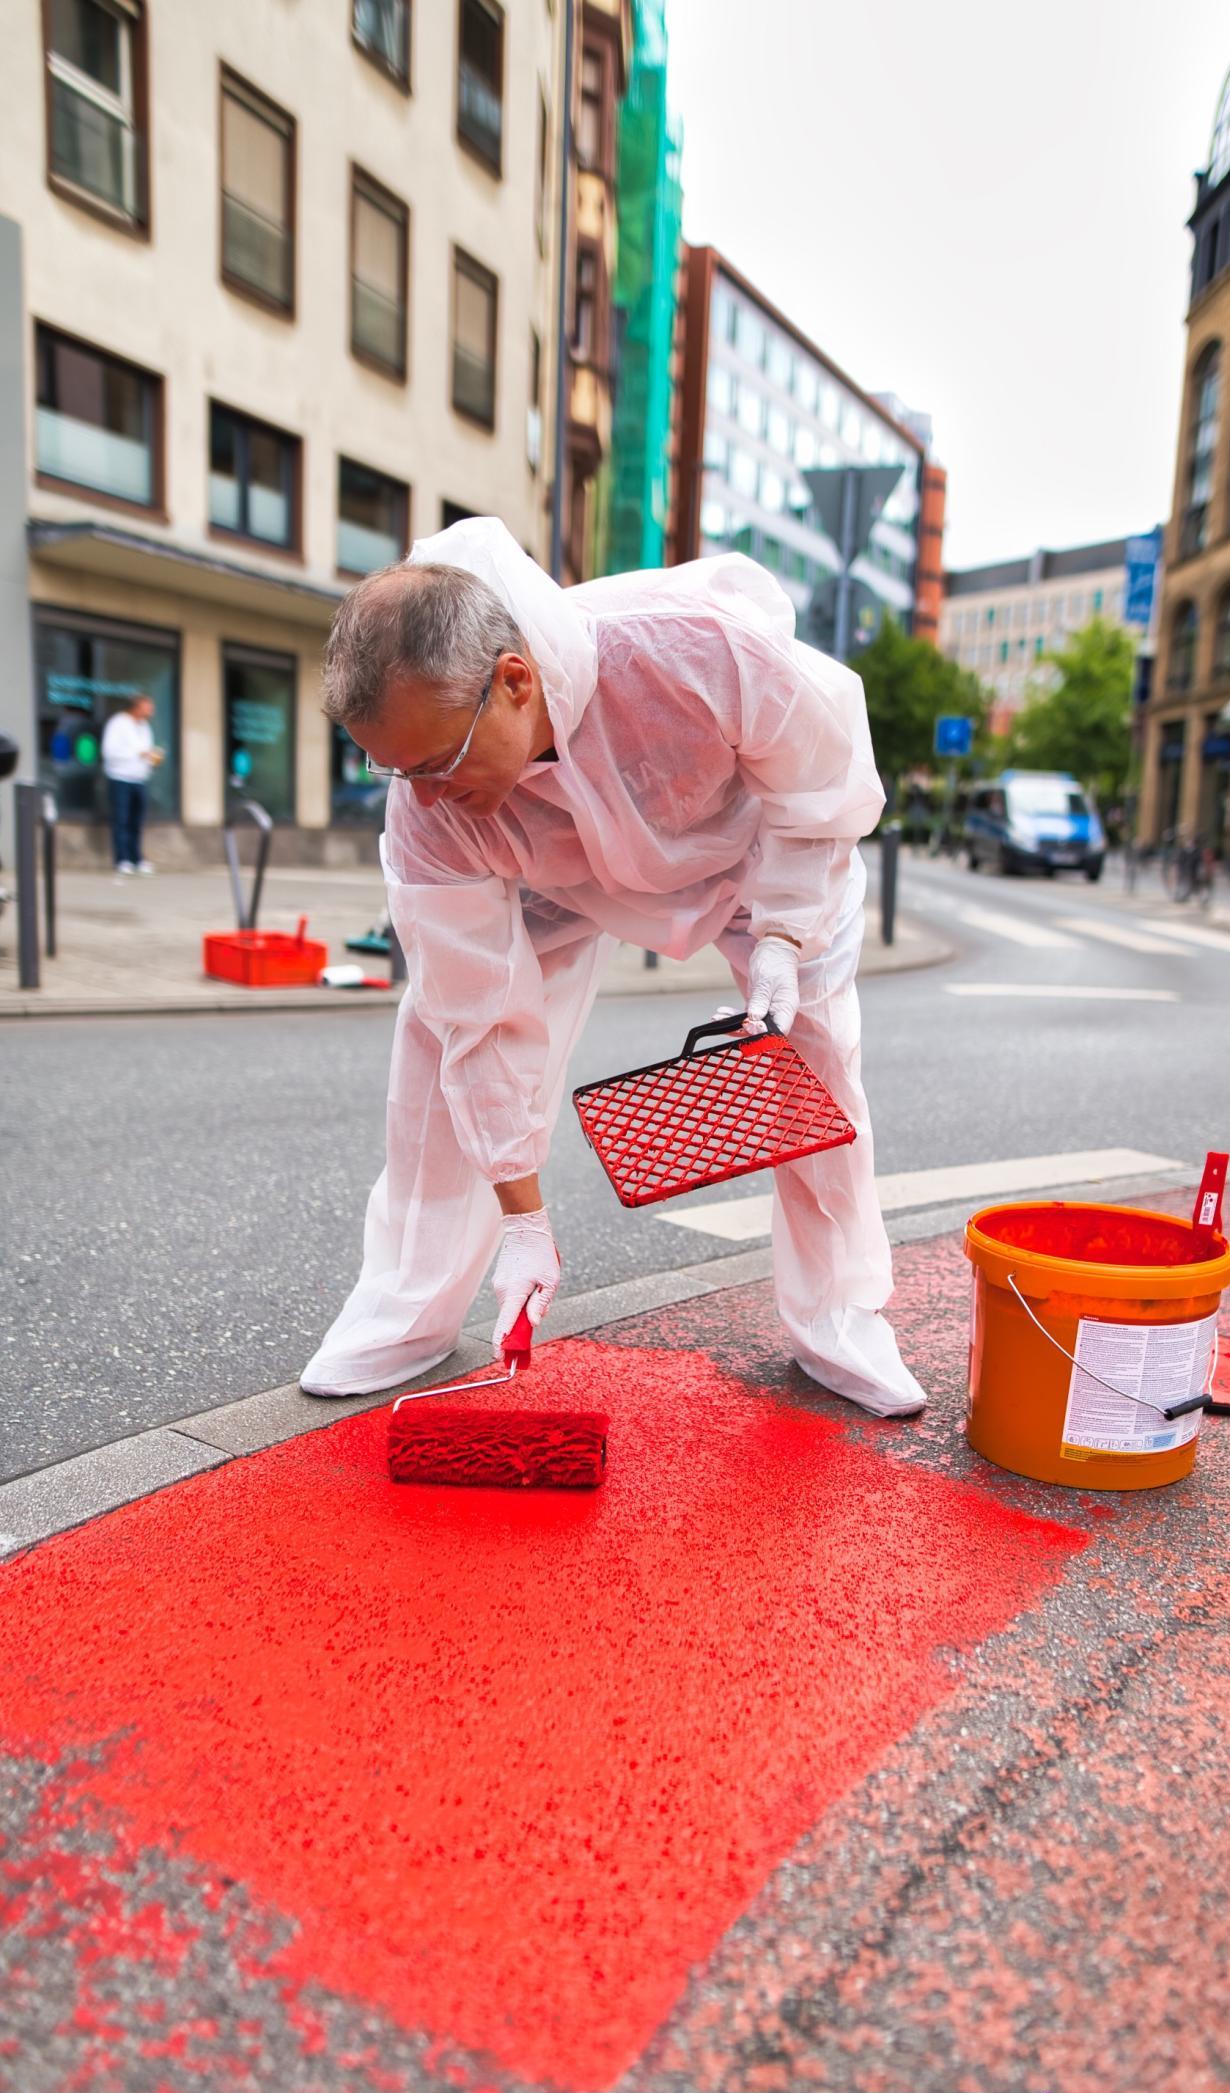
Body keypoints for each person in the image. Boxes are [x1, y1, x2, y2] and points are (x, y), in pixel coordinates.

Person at [299, 517, 926, 1418]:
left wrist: (786, 939)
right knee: (435, 1050)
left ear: (513, 682)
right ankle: (408, 1308)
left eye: (436, 762)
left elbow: (820, 786)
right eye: (398, 774)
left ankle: (840, 1317)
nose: (426, 796)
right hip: (554, 879)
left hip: (756, 861)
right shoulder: (432, 809)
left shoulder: (694, 652)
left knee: (817, 1065)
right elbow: (475, 1008)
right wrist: (525, 1222)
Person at [101, 693, 162, 874]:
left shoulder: (145, 727)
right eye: (147, 707)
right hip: (120, 778)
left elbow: (147, 752)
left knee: (137, 821)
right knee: (121, 819)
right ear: (137, 706)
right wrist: (138, 754)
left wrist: (151, 759)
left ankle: (137, 858)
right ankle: (122, 859)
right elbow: (109, 752)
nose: (151, 711)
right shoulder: (118, 723)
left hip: (139, 779)